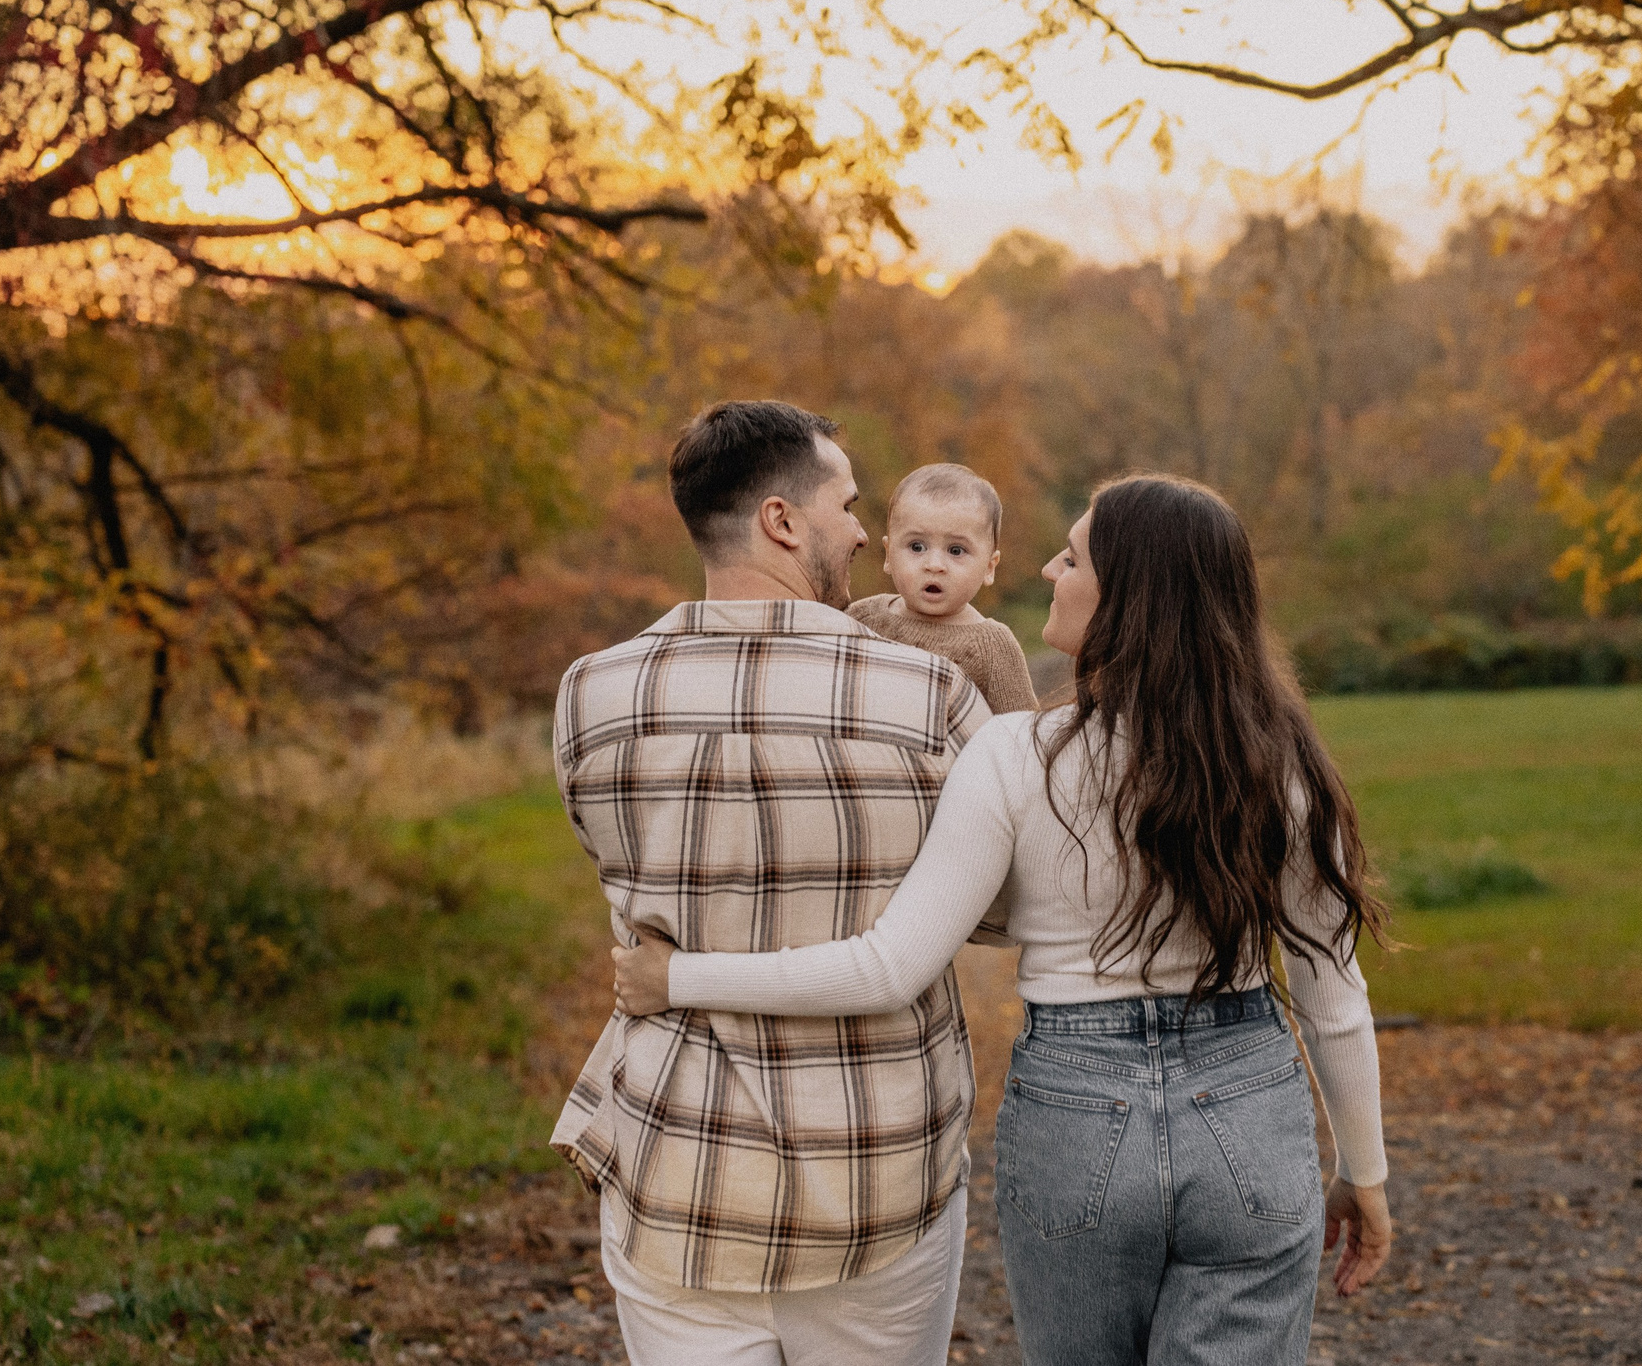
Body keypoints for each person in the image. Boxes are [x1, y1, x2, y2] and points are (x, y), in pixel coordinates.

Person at [616, 472, 1395, 1366]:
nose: (1046, 567)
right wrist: (1362, 1171)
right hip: (1250, 1109)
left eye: (1070, 558)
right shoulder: (1281, 763)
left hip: (1077, 1111)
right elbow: (1336, 995)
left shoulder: (1015, 757)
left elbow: (888, 966)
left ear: (1125, 599)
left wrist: (677, 976)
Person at [549, 399, 995, 1366]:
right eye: (846, 503)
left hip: (680, 1172)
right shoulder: (930, 698)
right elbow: (992, 910)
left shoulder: (591, 693)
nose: (865, 531)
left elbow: (610, 863)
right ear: (783, 522)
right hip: (879, 1173)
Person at [848, 463, 1040, 714]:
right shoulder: (861, 617)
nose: (934, 565)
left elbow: (1020, 736)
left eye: (956, 550)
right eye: (917, 547)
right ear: (888, 555)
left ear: (989, 568)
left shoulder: (994, 649)